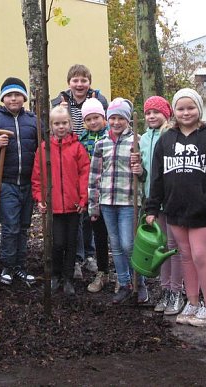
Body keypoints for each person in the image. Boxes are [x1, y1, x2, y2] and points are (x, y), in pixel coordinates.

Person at [145, 89, 206, 327]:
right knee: (185, 257)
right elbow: (157, 177)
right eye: (180, 108)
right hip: (174, 210)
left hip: (202, 211)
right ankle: (192, 302)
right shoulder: (166, 139)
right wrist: (152, 207)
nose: (186, 112)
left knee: (200, 254)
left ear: (199, 109)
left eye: (191, 107)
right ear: (174, 111)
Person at [51, 64, 109, 276]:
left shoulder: (98, 101)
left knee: (91, 216)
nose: (80, 84)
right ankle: (77, 257)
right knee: (79, 214)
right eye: (75, 80)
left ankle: (90, 254)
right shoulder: (61, 102)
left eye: (83, 80)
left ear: (89, 82)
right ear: (69, 83)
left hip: (92, 162)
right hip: (72, 157)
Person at [89, 98, 148, 304]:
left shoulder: (137, 142)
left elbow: (144, 175)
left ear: (128, 120)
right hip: (107, 201)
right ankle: (123, 283)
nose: (116, 122)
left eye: (120, 118)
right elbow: (95, 175)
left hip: (128, 201)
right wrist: (93, 204)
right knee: (115, 245)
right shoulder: (101, 144)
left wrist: (140, 170)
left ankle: (139, 282)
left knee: (128, 244)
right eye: (112, 118)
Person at [0, 77, 38, 285]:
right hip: (6, 182)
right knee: (10, 226)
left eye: (17, 95)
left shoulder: (32, 120)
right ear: (3, 98)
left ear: (23, 97)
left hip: (28, 182)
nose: (13, 99)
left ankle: (20, 266)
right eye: (9, 95)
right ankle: (7, 265)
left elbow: (40, 149)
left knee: (24, 226)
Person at [32, 105, 90, 295]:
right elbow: (37, 176)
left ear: (70, 124)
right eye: (57, 123)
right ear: (51, 125)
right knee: (57, 243)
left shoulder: (77, 148)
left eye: (64, 123)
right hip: (53, 206)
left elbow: (84, 174)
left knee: (71, 243)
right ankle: (55, 275)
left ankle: (68, 278)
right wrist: (40, 197)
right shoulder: (44, 149)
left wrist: (83, 199)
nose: (61, 127)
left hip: (73, 206)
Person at [139, 95, 185, 315]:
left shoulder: (172, 136)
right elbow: (148, 174)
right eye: (148, 112)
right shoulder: (143, 139)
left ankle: (177, 290)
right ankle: (165, 289)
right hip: (153, 200)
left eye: (156, 112)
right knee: (161, 248)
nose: (151, 116)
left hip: (172, 199)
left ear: (166, 114)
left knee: (174, 248)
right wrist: (140, 174)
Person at [78, 98, 112, 293]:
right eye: (89, 119)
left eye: (96, 117)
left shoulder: (111, 136)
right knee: (97, 232)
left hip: (111, 191)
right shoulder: (82, 140)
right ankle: (102, 270)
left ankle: (124, 273)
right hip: (92, 193)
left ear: (103, 117)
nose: (93, 122)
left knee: (116, 236)